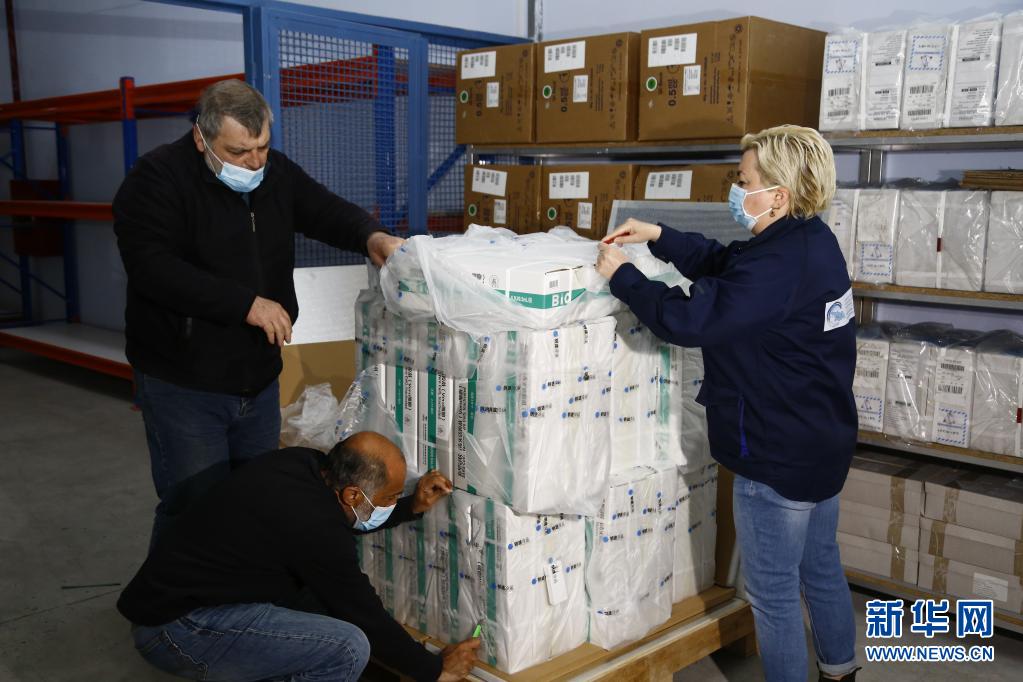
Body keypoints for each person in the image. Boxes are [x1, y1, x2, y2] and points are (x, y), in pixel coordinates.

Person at [595, 125, 859, 682]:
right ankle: (840, 672)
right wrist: (659, 235)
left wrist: (625, 277)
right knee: (820, 567)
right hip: (823, 442)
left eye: (744, 181)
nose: (736, 191)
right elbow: (728, 264)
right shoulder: (808, 241)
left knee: (773, 594)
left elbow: (690, 319)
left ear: (777, 196)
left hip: (776, 454)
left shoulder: (778, 264)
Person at [113, 79, 404, 544]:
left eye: (262, 147)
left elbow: (323, 209)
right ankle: (175, 593)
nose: (254, 162)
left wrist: (371, 235)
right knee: (196, 506)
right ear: (201, 137)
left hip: (258, 378)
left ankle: (241, 589)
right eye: (239, 152)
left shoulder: (275, 174)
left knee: (258, 499)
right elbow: (153, 268)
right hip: (186, 383)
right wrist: (244, 303)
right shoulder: (156, 180)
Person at [118, 431, 481, 682]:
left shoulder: (304, 464)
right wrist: (434, 670)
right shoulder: (313, 524)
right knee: (347, 647)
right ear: (353, 495)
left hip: (183, 602)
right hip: (178, 630)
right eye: (389, 497)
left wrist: (409, 507)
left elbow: (334, 525)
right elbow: (361, 609)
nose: (391, 503)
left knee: (321, 608)